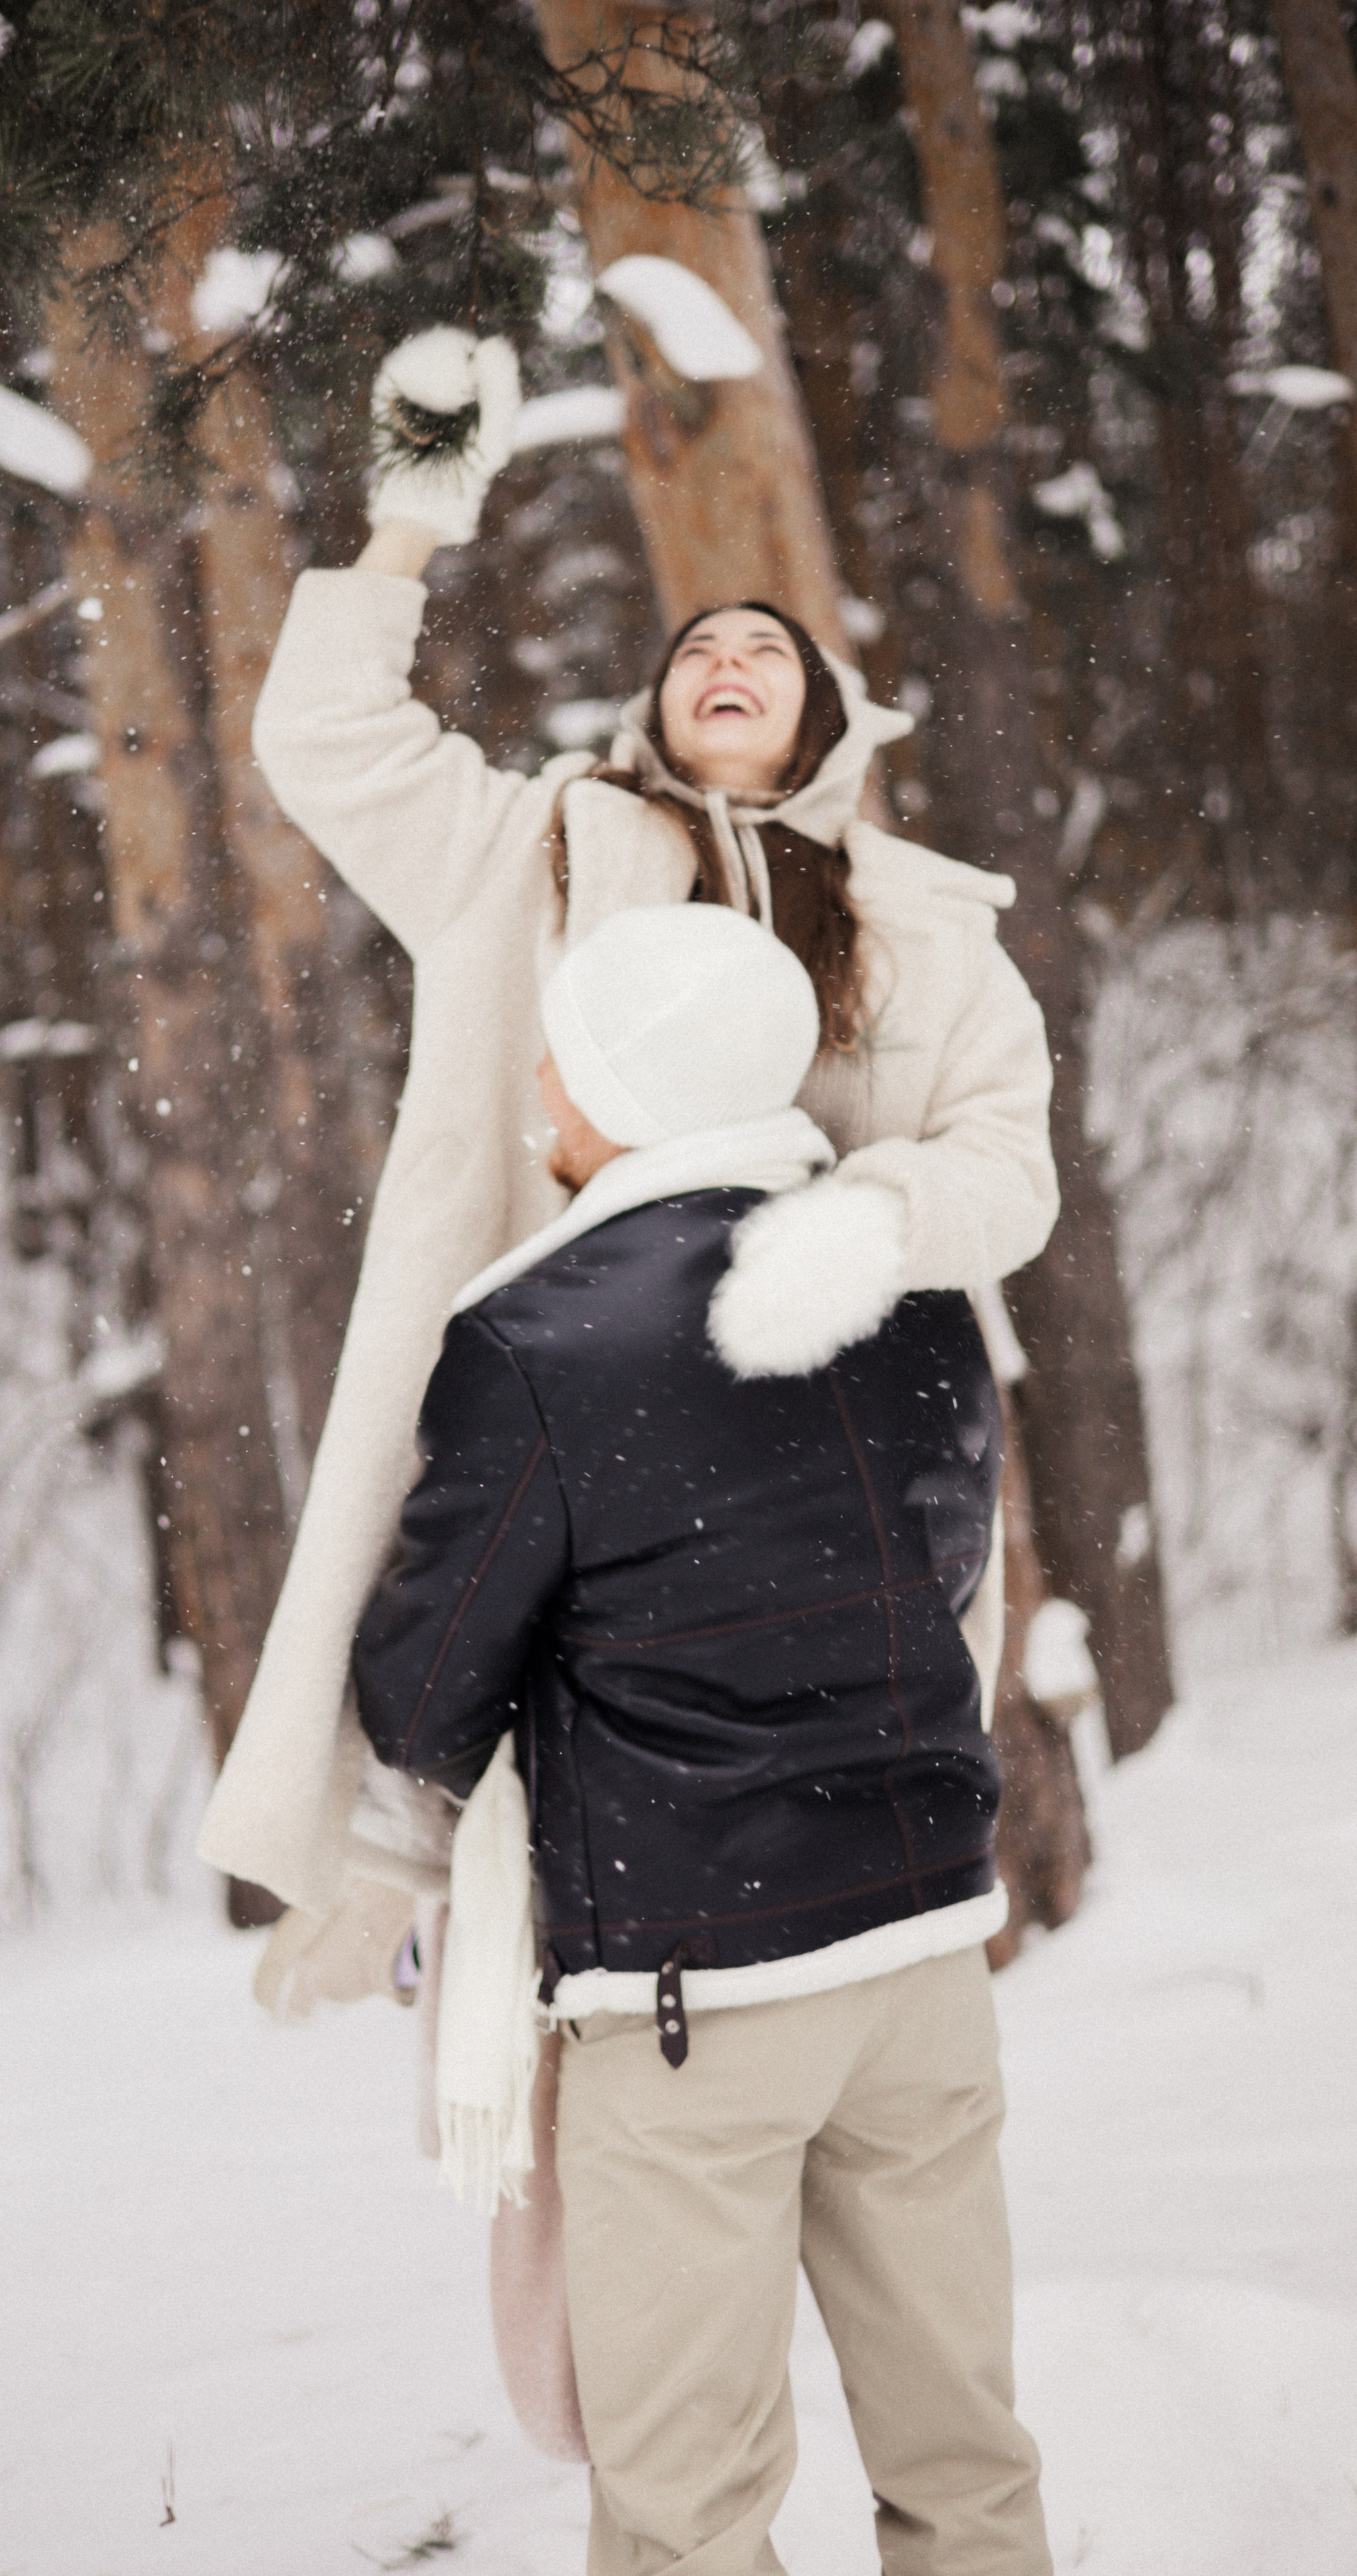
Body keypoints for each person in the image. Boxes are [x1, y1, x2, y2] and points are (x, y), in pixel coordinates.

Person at [196, 324, 1057, 1953]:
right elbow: (323, 741)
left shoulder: (929, 928)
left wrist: (870, 1223)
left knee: (815, 1874)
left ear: (827, 720)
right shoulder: (527, 848)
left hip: (826, 1464)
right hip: (569, 1429)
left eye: (768, 648)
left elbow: (1005, 1176)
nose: (726, 655)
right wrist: (408, 524)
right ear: (656, 702)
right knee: (533, 1875)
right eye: (696, 647)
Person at [353, 904, 1050, 2576]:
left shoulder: (531, 1337)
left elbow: (424, 1684)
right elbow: (939, 1575)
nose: (532, 1076)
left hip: (693, 1995)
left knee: (683, 2508)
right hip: (923, 1950)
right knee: (961, 2460)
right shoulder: (909, 1279)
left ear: (622, 1083)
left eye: (561, 1047)